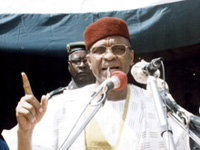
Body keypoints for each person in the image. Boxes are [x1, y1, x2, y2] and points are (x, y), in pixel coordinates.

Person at [2, 17, 191, 150]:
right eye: (100, 50)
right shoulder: (63, 106)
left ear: (131, 57)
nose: (109, 56)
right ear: (90, 61)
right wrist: (25, 132)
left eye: (118, 48)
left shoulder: (155, 107)